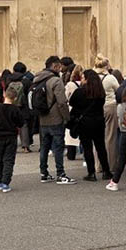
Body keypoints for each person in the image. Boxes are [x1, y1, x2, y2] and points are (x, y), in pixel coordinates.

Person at [31, 56, 76, 184]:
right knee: (58, 146)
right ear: (55, 66)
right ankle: (60, 173)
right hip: (55, 118)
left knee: (44, 146)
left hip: (42, 118)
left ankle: (44, 173)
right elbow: (62, 102)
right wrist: (67, 118)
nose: (61, 69)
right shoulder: (56, 81)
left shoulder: (37, 79)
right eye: (59, 67)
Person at [69, 68, 111, 181]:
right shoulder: (100, 93)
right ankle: (106, 171)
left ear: (86, 79)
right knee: (100, 146)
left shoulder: (80, 92)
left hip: (84, 122)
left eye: (83, 78)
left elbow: (72, 102)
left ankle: (91, 172)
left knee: (87, 147)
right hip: (98, 121)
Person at [0, 84, 30, 192]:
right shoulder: (15, 109)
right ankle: (6, 181)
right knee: (9, 159)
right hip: (11, 136)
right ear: (15, 98)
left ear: (4, 95)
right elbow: (21, 123)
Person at [96, 55, 121, 172]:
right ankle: (111, 165)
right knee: (110, 137)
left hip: (95, 107)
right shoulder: (110, 78)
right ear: (106, 65)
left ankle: (98, 165)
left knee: (97, 137)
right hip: (109, 106)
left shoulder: (92, 76)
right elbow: (119, 91)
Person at [10, 61, 35, 152]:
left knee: (12, 125)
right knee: (24, 125)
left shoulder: (9, 79)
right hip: (24, 106)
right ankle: (25, 147)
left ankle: (12, 146)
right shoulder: (26, 81)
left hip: (11, 105)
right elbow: (30, 94)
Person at [63, 64, 84, 161]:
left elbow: (65, 97)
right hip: (83, 110)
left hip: (72, 110)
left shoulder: (70, 85)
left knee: (70, 133)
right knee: (83, 133)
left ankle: (71, 155)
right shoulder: (85, 84)